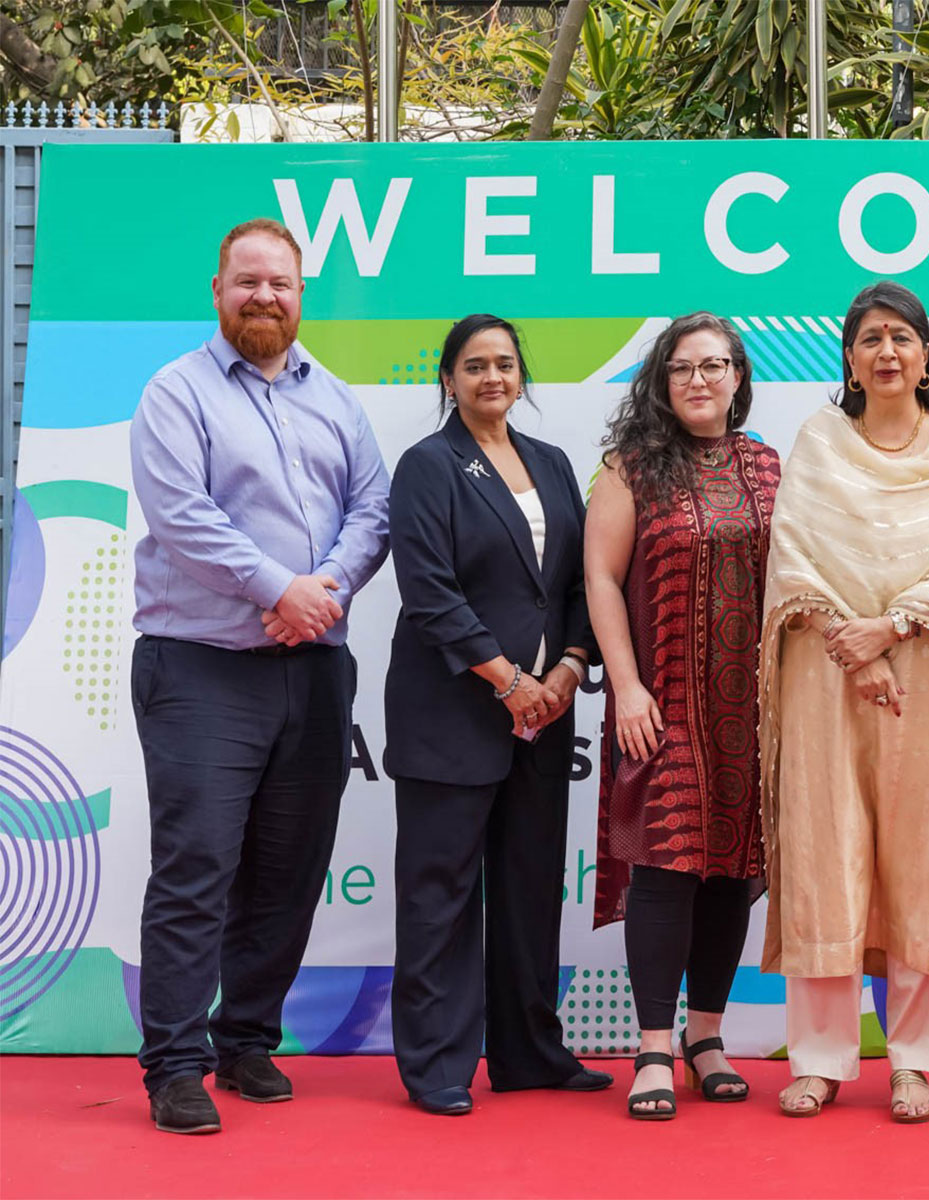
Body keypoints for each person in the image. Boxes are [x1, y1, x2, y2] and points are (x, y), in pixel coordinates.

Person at [128, 217, 390, 1135]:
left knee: (286, 869)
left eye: (280, 283)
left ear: (301, 292)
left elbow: (373, 507)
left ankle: (246, 1040)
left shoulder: (337, 400)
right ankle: (173, 1064)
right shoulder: (176, 393)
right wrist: (281, 588)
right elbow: (184, 515)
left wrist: (324, 592)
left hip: (313, 671)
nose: (264, 297)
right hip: (201, 667)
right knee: (198, 865)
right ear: (218, 290)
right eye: (247, 282)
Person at [758, 281, 929, 1123]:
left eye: (901, 339)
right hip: (825, 675)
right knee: (824, 858)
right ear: (848, 357)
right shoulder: (819, 440)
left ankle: (914, 1062)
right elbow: (795, 558)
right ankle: (822, 1058)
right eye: (871, 339)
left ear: (925, 355)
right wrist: (853, 642)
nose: (886, 353)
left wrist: (892, 630)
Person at [384, 314, 609, 1116]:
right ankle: (438, 1066)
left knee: (528, 889)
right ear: (446, 379)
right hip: (454, 711)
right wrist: (512, 681)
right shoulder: (427, 465)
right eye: (473, 365)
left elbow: (580, 584)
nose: (491, 377)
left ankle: (529, 1054)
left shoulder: (551, 462)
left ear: (522, 377)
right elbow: (431, 594)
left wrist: (571, 668)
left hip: (545, 716)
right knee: (440, 894)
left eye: (505, 364)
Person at [585, 313, 781, 1120]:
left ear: (738, 377)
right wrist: (625, 687)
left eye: (714, 365)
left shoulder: (770, 466)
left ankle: (707, 1037)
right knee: (666, 869)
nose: (698, 380)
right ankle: (654, 1047)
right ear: (661, 384)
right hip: (660, 701)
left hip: (752, 703)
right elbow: (600, 578)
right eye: (681, 368)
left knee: (731, 869)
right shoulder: (629, 469)